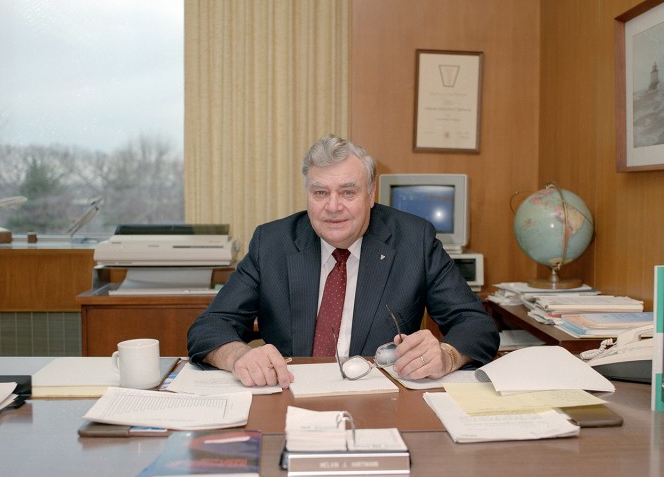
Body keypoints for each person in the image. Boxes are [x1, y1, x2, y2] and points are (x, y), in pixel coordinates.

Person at [187, 134, 500, 388]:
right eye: (320, 192)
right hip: (290, 391)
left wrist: (446, 355)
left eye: (348, 192)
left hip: (382, 397)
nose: (333, 207)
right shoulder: (273, 243)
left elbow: (476, 325)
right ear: (307, 194)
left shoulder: (413, 240)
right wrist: (240, 356)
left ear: (370, 194)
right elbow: (209, 327)